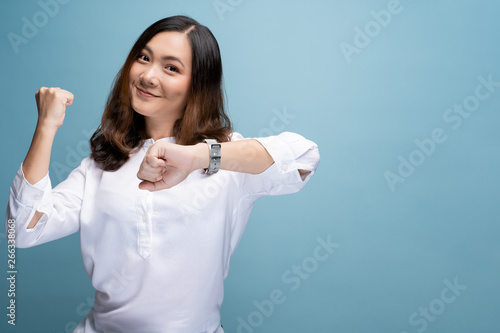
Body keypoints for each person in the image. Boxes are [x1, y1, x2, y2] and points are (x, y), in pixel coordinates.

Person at [5, 15, 320, 333]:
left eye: (171, 68)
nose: (148, 76)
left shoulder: (227, 159)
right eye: (143, 58)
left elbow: (304, 158)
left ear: (198, 84)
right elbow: (22, 231)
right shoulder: (100, 166)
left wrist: (197, 156)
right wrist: (46, 126)